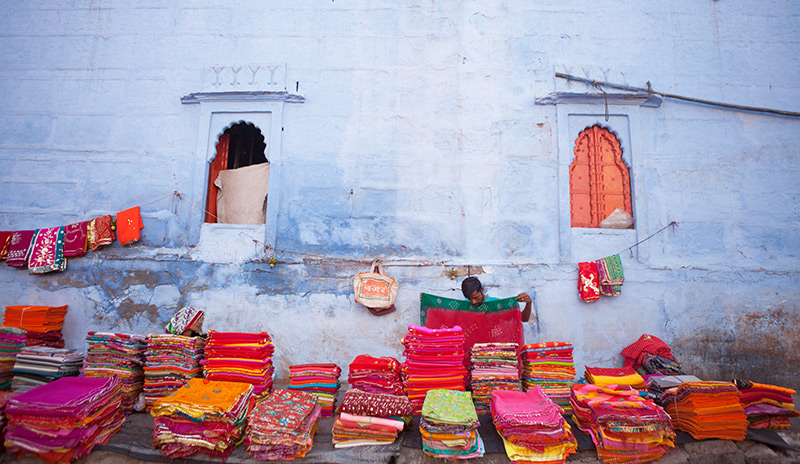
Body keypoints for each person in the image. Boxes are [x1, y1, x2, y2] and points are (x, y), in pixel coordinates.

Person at [461, 276, 532, 322]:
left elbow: (523, 319)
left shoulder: (496, 304)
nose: (473, 302)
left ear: (482, 289)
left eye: (476, 297)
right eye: (469, 299)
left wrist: (528, 303)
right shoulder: (464, 306)